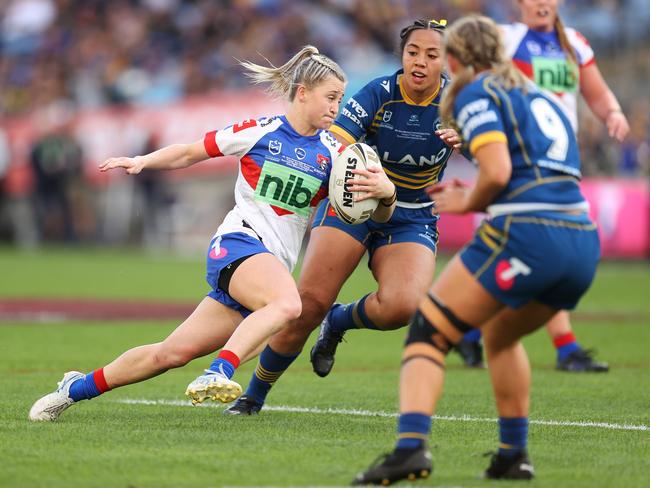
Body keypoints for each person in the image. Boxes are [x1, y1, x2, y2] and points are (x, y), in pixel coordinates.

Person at [28, 46, 396, 422]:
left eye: (340, 98)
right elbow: (190, 152)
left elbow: (369, 213)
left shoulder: (337, 155)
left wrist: (387, 194)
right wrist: (142, 161)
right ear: (302, 92)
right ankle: (219, 371)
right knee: (288, 305)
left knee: (169, 354)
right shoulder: (260, 131)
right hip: (238, 244)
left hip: (268, 269)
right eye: (330, 97)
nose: (337, 107)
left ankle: (74, 388)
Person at [352, 15, 600, 484]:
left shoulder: (473, 91)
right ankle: (513, 454)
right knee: (501, 337)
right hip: (582, 241)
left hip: (528, 232)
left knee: (428, 330)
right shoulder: (536, 95)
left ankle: (409, 450)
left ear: (457, 59)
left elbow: (499, 171)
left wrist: (468, 201)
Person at [225, 19, 463, 416]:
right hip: (352, 207)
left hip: (412, 216)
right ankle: (253, 396)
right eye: (412, 52)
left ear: (447, 60)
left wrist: (469, 139)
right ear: (401, 55)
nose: (419, 62)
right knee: (308, 304)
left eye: (432, 55)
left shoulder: (459, 102)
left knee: (402, 307)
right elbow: (332, 141)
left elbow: (496, 156)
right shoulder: (378, 93)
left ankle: (338, 323)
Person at [456, 0, 629, 372]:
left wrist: (613, 113)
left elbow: (595, 92)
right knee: (541, 243)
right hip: (518, 154)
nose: (542, 2)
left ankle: (465, 327)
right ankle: (565, 348)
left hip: (560, 158)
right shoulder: (507, 38)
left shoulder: (574, 43)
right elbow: (465, 58)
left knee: (517, 241)